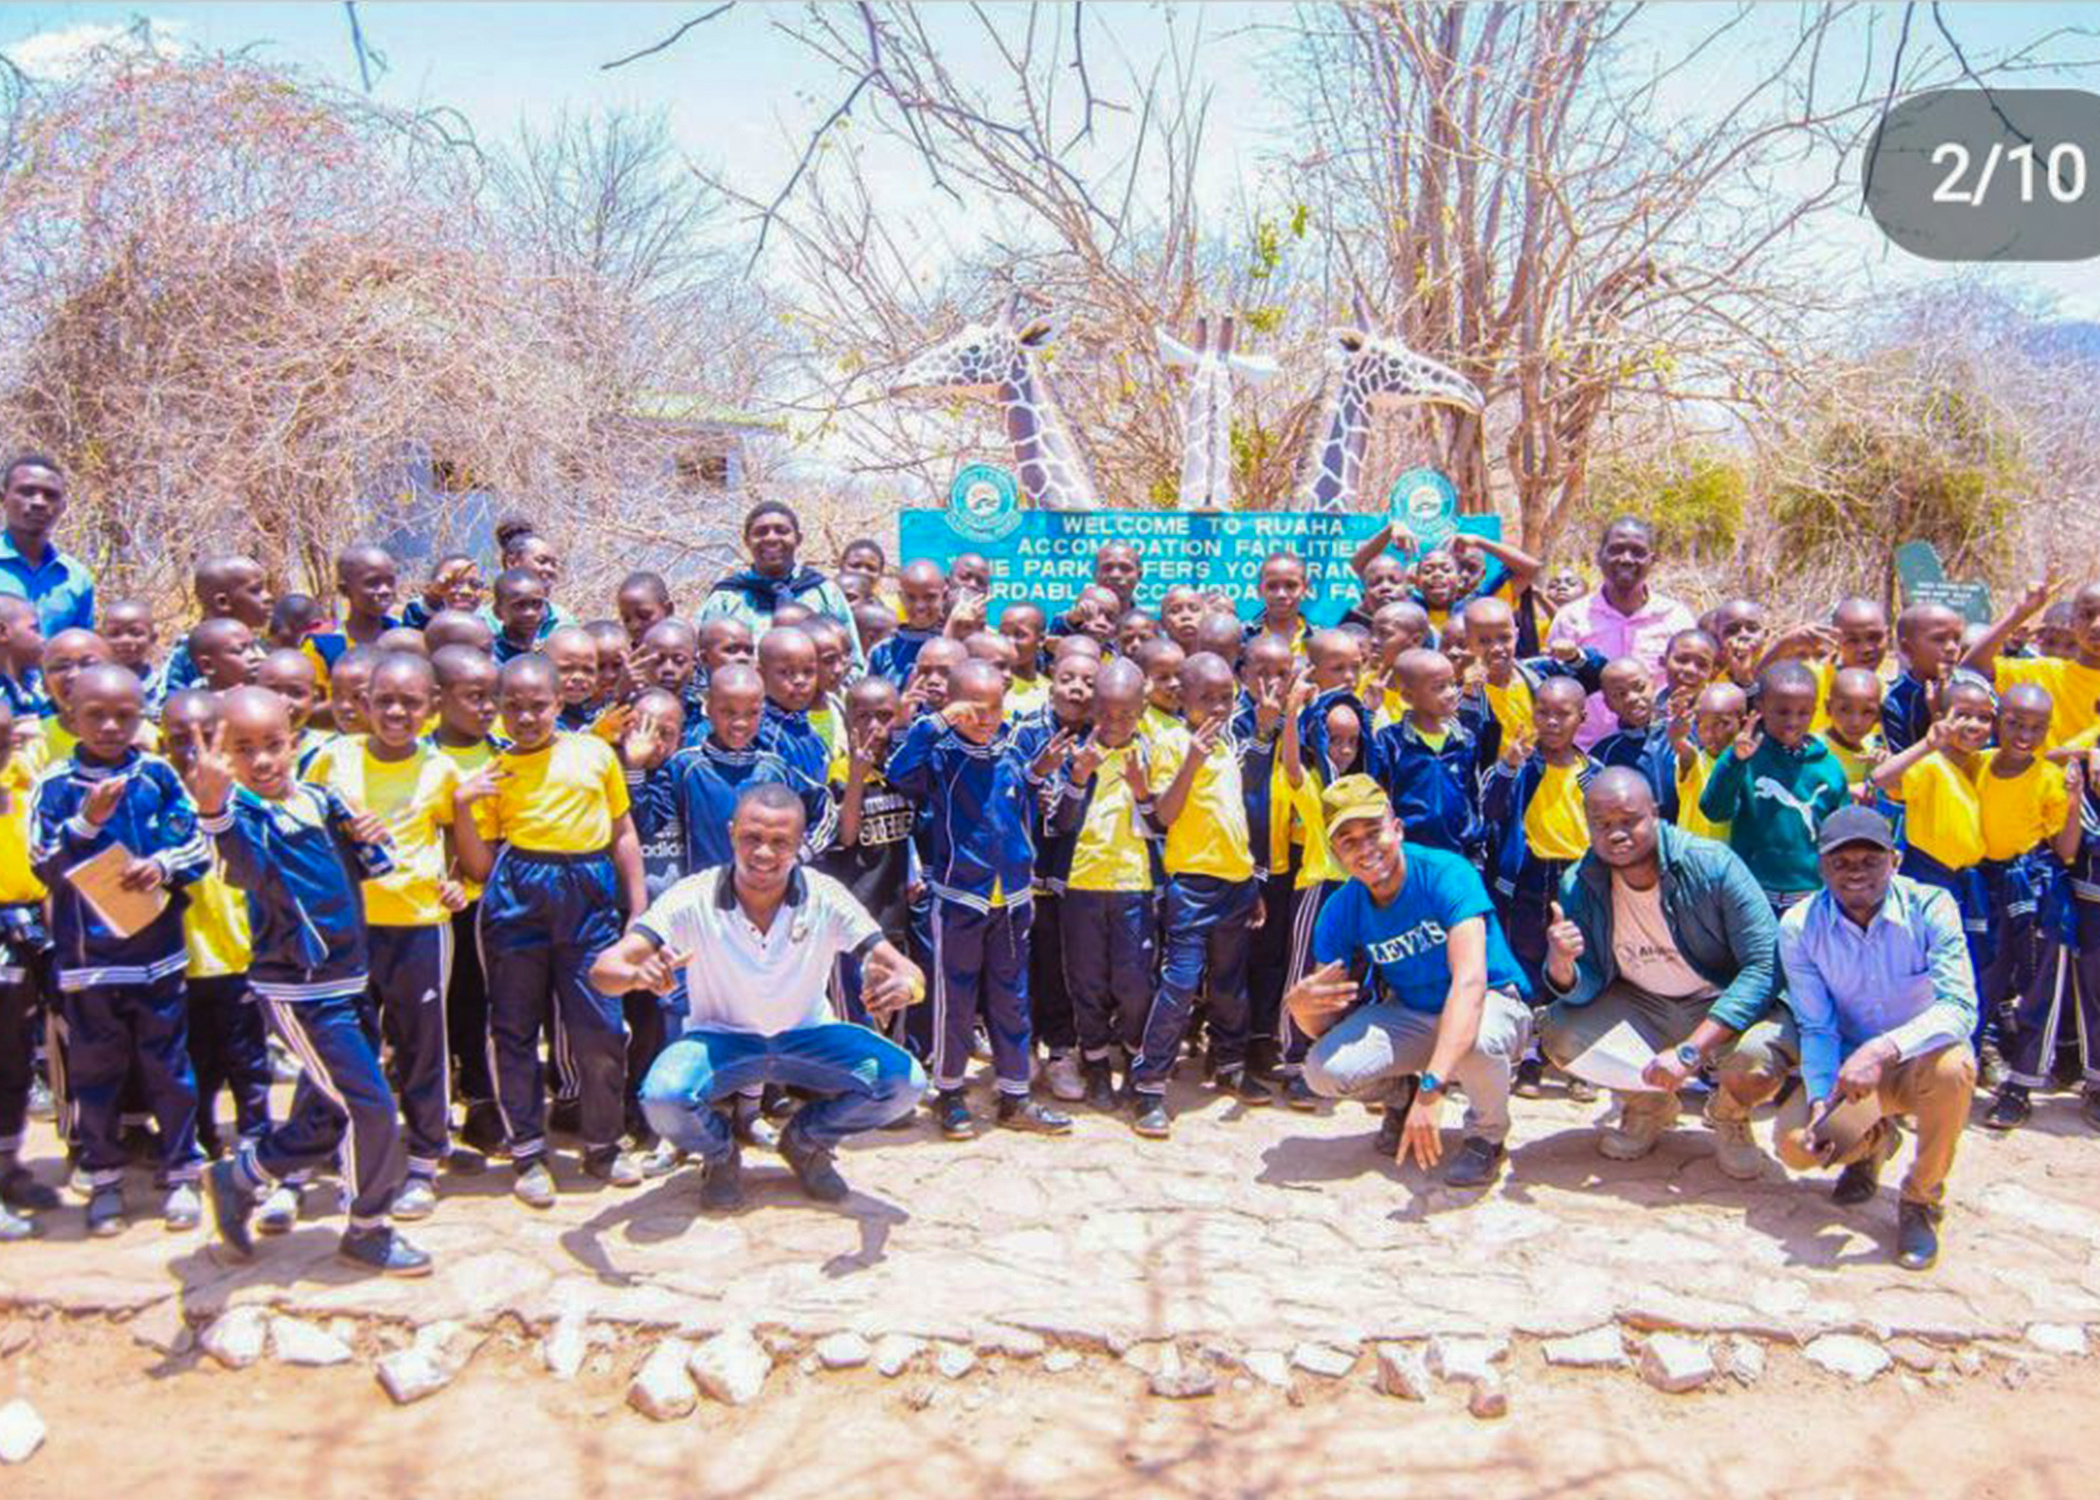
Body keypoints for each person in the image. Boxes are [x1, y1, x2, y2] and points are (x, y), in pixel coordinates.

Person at [595, 783, 926, 1210]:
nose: (764, 853)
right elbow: (604, 971)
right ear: (731, 833)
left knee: (905, 1082)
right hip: (721, 1042)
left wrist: (907, 988)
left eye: (780, 842)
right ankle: (720, 1154)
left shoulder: (825, 896)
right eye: (752, 837)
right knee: (663, 1098)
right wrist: (635, 975)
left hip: (807, 1037)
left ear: (800, 844)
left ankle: (806, 1141)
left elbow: (907, 971)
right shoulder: (693, 896)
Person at [191, 687, 431, 1275]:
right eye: (244, 749)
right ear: (224, 757)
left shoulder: (321, 801)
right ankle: (367, 1227)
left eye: (273, 745)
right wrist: (214, 809)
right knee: (372, 1107)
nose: (262, 761)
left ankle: (239, 1177)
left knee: (332, 1113)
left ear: (295, 743)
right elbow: (241, 868)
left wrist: (369, 833)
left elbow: (372, 868)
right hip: (303, 992)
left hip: (350, 977)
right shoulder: (244, 818)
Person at [1734, 806, 1979, 1271]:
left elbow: (1960, 1007)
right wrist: (1821, 1098)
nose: (1855, 873)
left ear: (1895, 861)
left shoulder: (1932, 907)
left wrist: (1883, 1048)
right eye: (1841, 862)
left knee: (1955, 1070)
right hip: (1850, 1072)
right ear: (1821, 867)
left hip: (1918, 1060)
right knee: (1797, 1147)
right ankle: (1873, 1143)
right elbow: (1817, 1025)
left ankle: (1921, 1200)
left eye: (1870, 860)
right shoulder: (1800, 926)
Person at [454, 655, 648, 1205]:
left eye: (538, 705)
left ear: (559, 704)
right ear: (497, 709)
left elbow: (623, 832)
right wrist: (464, 808)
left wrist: (638, 908)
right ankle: (528, 1152)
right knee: (513, 1029)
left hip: (588, 897)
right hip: (518, 897)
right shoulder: (495, 770)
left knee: (600, 1026)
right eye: (512, 706)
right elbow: (480, 868)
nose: (525, 717)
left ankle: (604, 1144)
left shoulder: (593, 753)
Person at [1286, 776, 1533, 1188]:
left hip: (1490, 1002)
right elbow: (1325, 1025)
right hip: (1415, 1012)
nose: (1365, 848)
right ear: (1336, 854)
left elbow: (1470, 983)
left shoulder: (1445, 873)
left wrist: (1432, 1088)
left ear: (1397, 829)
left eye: (1373, 832)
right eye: (1348, 841)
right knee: (1322, 1071)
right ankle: (1400, 1096)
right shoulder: (1341, 909)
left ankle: (1486, 1137)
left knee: (1477, 1039)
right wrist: (1302, 1010)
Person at [1535, 770, 1782, 1174]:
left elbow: (1765, 964)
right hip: (1644, 1006)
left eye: (1629, 820)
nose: (1616, 833)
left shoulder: (1712, 865)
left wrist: (1691, 1050)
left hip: (1717, 1002)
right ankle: (1649, 1105)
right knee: (1560, 1031)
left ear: (1655, 813)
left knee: (1761, 1054)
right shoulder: (1580, 882)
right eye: (1602, 824)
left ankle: (1730, 1115)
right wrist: (1562, 965)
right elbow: (1589, 984)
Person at [305, 654, 471, 1217]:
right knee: (343, 1042)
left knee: (424, 1045)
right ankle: (329, 1148)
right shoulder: (333, 759)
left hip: (419, 926)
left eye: (410, 703)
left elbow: (454, 837)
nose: (397, 712)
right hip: (348, 927)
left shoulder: (441, 769)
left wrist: (455, 881)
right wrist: (344, 831)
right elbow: (305, 827)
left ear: (432, 708)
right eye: (385, 701)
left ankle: (425, 1158)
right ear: (363, 703)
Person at [884, 659, 1072, 1139]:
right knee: (956, 1000)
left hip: (1012, 899)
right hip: (960, 899)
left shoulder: (1010, 749)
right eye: (973, 709)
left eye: (994, 707)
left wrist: (1037, 775)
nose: (985, 719)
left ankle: (1015, 1096)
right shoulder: (943, 755)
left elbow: (1016, 806)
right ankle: (949, 1093)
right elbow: (899, 773)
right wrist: (935, 724)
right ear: (952, 707)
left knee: (1012, 998)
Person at [1125, 652, 1276, 1133]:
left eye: (1226, 697)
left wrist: (1250, 881)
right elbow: (1165, 815)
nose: (1217, 707)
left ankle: (1229, 1063)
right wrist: (1191, 759)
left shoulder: (1230, 744)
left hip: (1235, 884)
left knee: (1230, 983)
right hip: (1191, 887)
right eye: (1206, 697)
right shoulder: (1172, 742)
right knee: (1180, 983)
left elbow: (1234, 819)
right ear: (1182, 697)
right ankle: (1149, 1084)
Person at [1698, 662, 1849, 911]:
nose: (1793, 722)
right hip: (1752, 892)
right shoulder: (1746, 756)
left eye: (1803, 713)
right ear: (1760, 708)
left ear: (1815, 711)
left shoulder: (1828, 767)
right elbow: (1714, 811)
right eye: (1782, 712)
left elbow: (1840, 833)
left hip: (1810, 896)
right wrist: (1734, 761)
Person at [1544, 517, 1697, 748]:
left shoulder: (1676, 619)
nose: (1626, 559)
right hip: (1586, 753)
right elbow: (1554, 688)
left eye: (1637, 552)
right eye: (1616, 550)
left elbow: (1693, 686)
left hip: (1658, 752)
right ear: (1599, 556)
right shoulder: (1571, 618)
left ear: (1653, 559)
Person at [696, 502, 863, 670]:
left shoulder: (825, 593)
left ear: (798, 539)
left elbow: (853, 662)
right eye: (761, 532)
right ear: (746, 541)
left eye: (782, 531)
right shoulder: (725, 598)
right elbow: (699, 663)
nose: (771, 538)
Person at [0, 454, 95, 637]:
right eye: (27, 492)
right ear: (3, 499)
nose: (39, 502)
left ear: (63, 507)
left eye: (51, 495)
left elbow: (80, 648)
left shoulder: (76, 578)